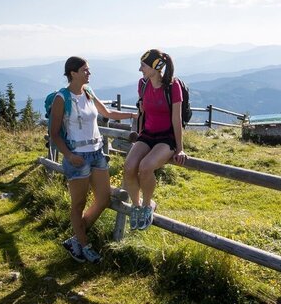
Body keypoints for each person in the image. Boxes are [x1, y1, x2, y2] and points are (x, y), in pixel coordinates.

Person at [50, 56, 137, 263]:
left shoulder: (88, 92)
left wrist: (132, 116)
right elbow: (54, 133)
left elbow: (107, 113)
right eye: (85, 70)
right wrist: (69, 156)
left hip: (97, 153)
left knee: (104, 199)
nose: (89, 73)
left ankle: (76, 240)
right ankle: (85, 245)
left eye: (88, 70)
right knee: (78, 204)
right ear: (73, 73)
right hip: (77, 156)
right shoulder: (61, 98)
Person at [124, 48, 187, 231]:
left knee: (145, 167)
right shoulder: (142, 85)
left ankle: (147, 206)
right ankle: (136, 206)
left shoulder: (173, 87)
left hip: (166, 137)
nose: (140, 69)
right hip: (147, 134)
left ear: (155, 66)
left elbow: (177, 119)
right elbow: (143, 111)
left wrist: (180, 148)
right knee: (128, 167)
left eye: (143, 65)